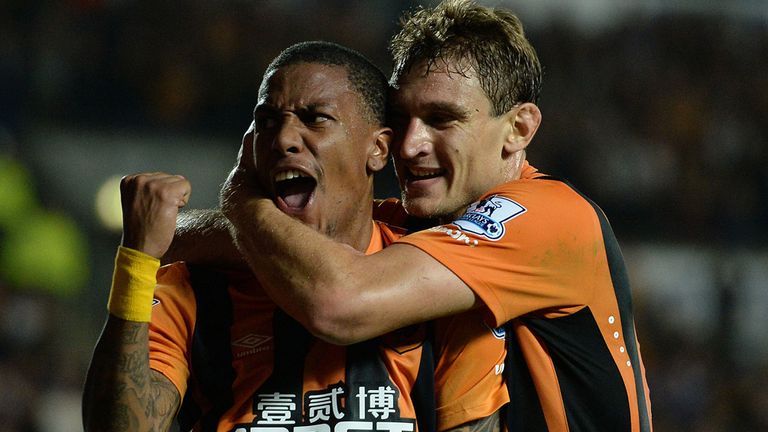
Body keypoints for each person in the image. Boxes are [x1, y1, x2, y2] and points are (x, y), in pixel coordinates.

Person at [206, 1, 653, 431]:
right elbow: (281, 241)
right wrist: (172, 226)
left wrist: (241, 197)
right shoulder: (430, 227)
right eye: (401, 119)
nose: (409, 145)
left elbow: (339, 302)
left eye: (442, 119)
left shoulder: (552, 218)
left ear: (518, 129)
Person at [83, 41, 501, 432]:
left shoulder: (438, 281)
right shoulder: (192, 287)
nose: (283, 139)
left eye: (315, 118)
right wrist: (137, 263)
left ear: (378, 148)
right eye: (267, 122)